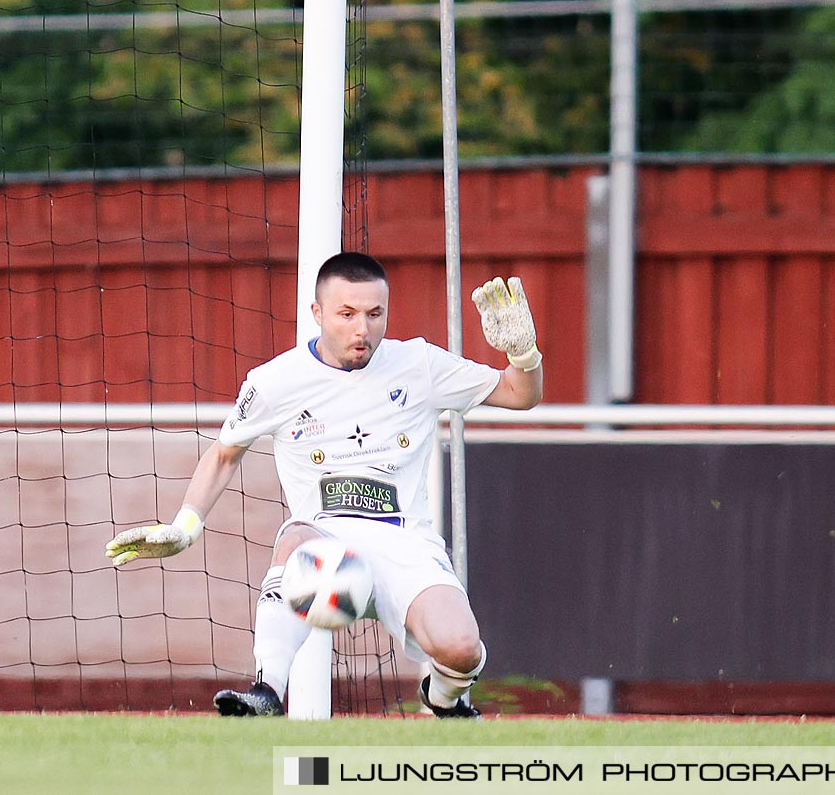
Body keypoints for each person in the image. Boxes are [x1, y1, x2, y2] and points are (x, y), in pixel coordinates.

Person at [105, 251, 545, 719]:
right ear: (317, 314)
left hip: (405, 543)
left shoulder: (418, 364)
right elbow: (224, 453)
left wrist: (524, 353)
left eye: (375, 314)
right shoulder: (276, 381)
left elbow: (521, 394)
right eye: (347, 314)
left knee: (462, 649)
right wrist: (185, 528)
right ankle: (265, 690)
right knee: (294, 536)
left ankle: (443, 697)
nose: (362, 329)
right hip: (325, 541)